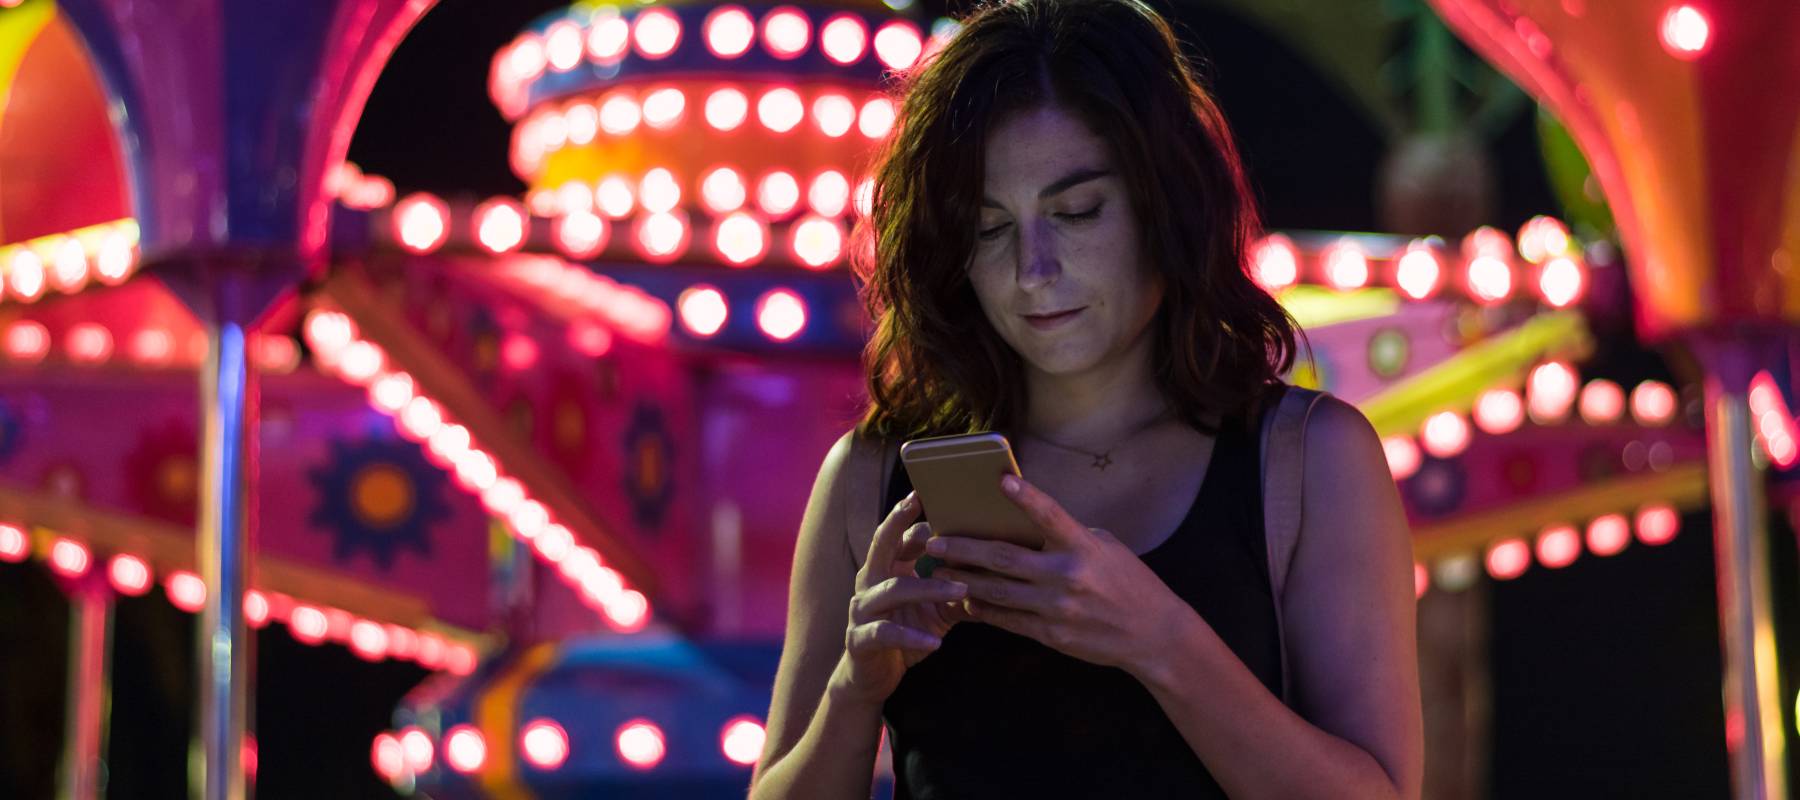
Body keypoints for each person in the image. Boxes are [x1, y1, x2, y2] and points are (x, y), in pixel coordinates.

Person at [749, 0, 1422, 796]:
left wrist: (1160, 639)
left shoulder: (1309, 463)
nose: (1033, 268)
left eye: (1076, 212)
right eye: (990, 227)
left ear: (1168, 205)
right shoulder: (870, 478)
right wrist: (853, 692)